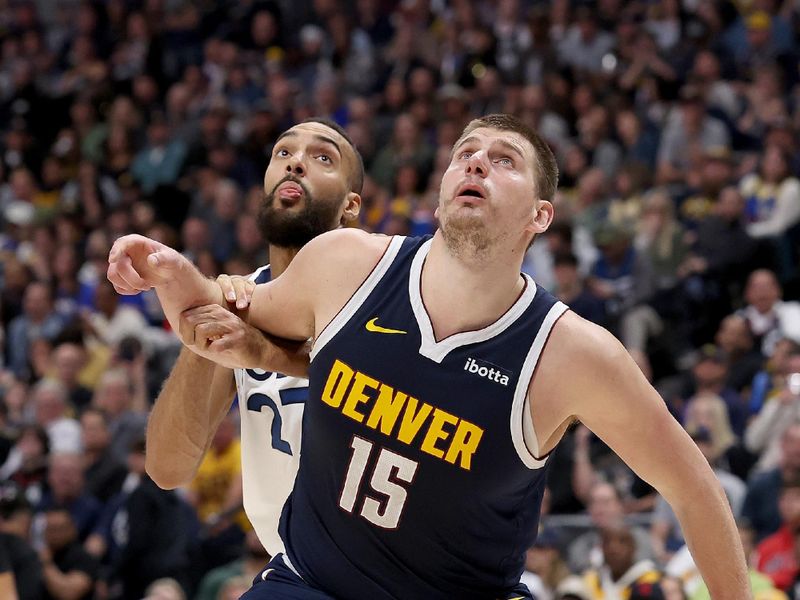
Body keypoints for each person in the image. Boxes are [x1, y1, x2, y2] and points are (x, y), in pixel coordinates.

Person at [108, 114, 749, 598]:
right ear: (441, 187)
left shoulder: (571, 353)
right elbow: (207, 319)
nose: (476, 164)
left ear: (541, 215)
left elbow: (695, 489)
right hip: (312, 583)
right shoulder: (346, 263)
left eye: (503, 161)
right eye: (465, 154)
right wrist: (166, 267)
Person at [145, 117, 363, 558]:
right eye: (283, 153)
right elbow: (167, 468)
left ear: (350, 206)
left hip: (378, 565)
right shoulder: (241, 301)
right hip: (292, 567)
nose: (295, 164)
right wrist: (207, 323)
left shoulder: (382, 295)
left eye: (322, 157)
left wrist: (262, 350)